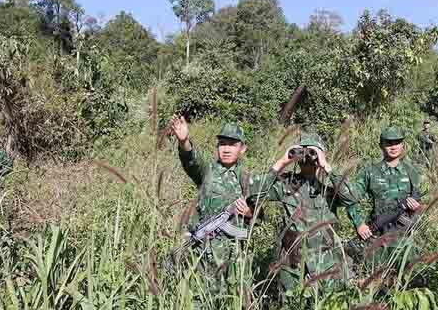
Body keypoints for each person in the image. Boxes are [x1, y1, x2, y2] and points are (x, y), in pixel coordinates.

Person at [248, 131, 357, 298]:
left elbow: (352, 197)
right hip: (293, 262)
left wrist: (326, 166)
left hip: (326, 260)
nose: (307, 157)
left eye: (312, 152)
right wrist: (283, 161)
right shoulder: (285, 182)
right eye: (302, 152)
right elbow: (254, 193)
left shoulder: (330, 183)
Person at [168, 116, 256, 303]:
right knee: (203, 300)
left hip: (236, 255)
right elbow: (191, 160)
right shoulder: (207, 170)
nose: (226, 148)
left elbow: (259, 213)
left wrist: (248, 212)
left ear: (242, 149)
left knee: (236, 300)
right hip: (205, 252)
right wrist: (184, 141)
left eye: (232, 144)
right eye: (222, 143)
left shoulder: (248, 177)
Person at [346, 126, 424, 267]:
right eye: (388, 143)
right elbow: (349, 197)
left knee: (407, 281)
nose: (393, 147)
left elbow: (420, 201)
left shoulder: (412, 171)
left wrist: (416, 207)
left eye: (397, 143)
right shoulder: (370, 172)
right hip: (377, 235)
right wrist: (359, 224)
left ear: (402, 145)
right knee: (376, 279)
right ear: (381, 145)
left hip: (403, 237)